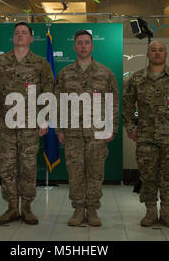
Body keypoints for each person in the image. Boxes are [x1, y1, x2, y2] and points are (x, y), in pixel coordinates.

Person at [122, 41, 169, 228]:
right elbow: (127, 106)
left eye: (161, 50)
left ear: (166, 53)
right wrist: (131, 128)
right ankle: (151, 212)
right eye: (153, 50)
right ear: (147, 53)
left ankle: (167, 212)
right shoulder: (137, 79)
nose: (157, 53)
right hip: (145, 138)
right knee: (148, 176)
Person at [0, 22, 54, 225]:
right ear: (13, 37)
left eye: (24, 33)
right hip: (6, 123)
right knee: (7, 167)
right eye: (17, 33)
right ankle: (11, 208)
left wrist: (45, 119)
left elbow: (48, 92)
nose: (20, 36)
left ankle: (26, 207)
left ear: (31, 38)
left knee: (28, 166)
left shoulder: (41, 63)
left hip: (30, 124)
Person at [55, 30, 119, 227]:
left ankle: (91, 210)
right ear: (74, 47)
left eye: (86, 43)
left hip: (97, 132)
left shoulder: (105, 72)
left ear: (92, 46)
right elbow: (57, 102)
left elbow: (113, 102)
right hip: (73, 133)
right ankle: (77, 209)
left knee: (95, 172)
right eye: (79, 43)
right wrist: (59, 129)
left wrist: (112, 128)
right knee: (75, 173)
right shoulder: (65, 73)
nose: (83, 46)